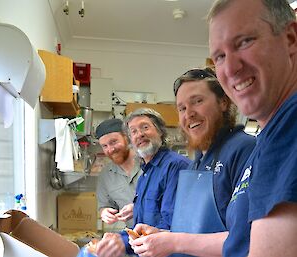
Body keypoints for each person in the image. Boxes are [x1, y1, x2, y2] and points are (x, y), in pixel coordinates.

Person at [130, 68, 256, 257]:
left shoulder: (244, 149)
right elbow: (196, 233)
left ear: (223, 102)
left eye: (197, 101)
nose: (189, 114)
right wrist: (163, 237)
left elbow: (247, 240)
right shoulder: (195, 164)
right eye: (182, 108)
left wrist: (174, 242)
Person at [207, 0, 297, 256]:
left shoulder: (289, 128)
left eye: (245, 42)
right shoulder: (269, 135)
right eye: (220, 56)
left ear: (291, 39)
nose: (231, 69)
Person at [91, 109, 191, 257]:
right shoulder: (146, 172)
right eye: (134, 131)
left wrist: (123, 242)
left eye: (145, 127)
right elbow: (141, 226)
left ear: (160, 132)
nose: (140, 134)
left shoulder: (175, 166)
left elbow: (170, 227)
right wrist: (119, 238)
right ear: (131, 139)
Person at [95, 118, 142, 228]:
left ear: (127, 137)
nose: (110, 150)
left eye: (113, 142)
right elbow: (104, 205)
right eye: (105, 146)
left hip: (162, 234)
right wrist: (104, 212)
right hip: (133, 235)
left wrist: (138, 208)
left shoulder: (148, 163)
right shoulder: (106, 175)